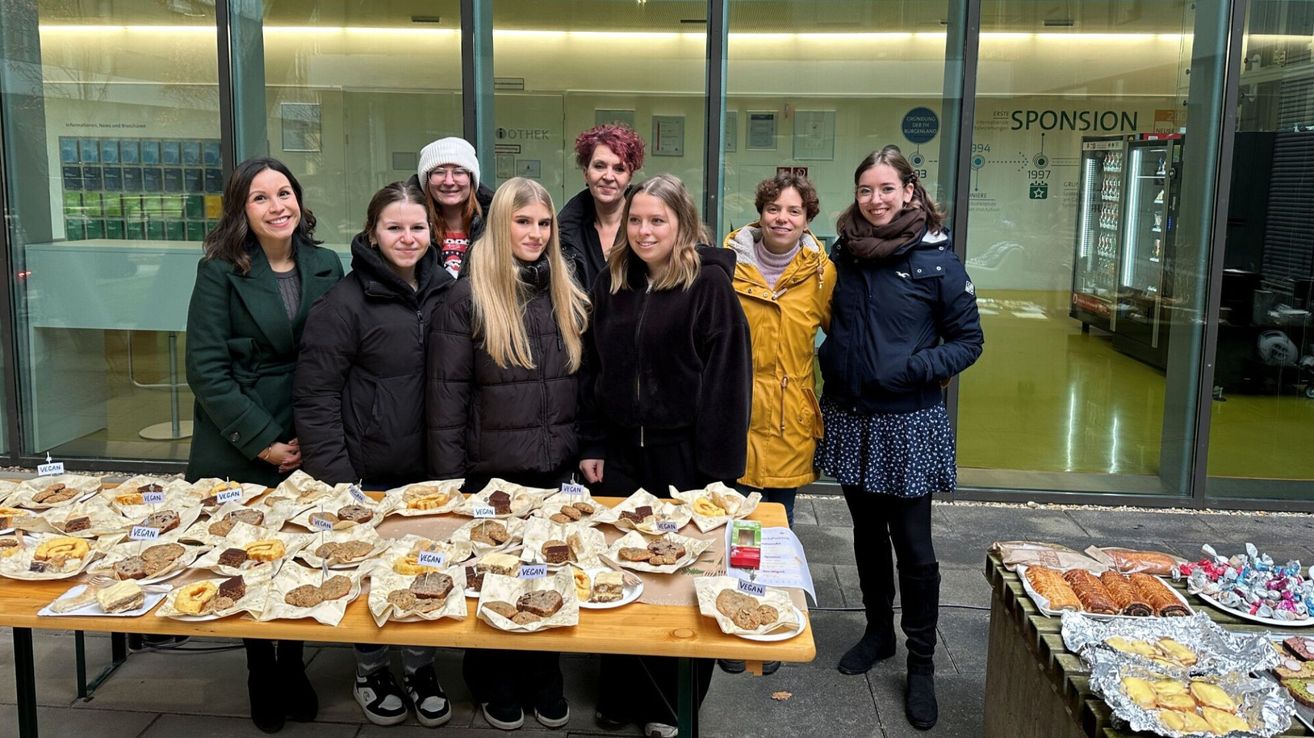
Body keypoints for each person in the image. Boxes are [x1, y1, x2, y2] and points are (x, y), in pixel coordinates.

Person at [577, 174, 751, 737]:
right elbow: (596, 370)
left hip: (686, 460)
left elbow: (729, 384)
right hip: (623, 456)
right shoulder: (613, 281)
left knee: (679, 585)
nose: (645, 230)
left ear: (682, 225)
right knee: (619, 573)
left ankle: (672, 706)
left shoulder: (709, 287)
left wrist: (718, 476)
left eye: (658, 220)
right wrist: (595, 443)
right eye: (636, 220)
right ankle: (622, 693)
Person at [816, 145, 983, 730]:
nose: (876, 200)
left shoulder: (937, 260)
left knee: (914, 548)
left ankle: (921, 664)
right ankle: (878, 633)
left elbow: (969, 341)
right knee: (865, 532)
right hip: (853, 415)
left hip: (907, 421)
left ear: (910, 191)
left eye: (887, 188)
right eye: (866, 190)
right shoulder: (846, 253)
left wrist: (912, 368)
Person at [184, 156, 344, 733]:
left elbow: (340, 352)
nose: (277, 206)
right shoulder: (219, 271)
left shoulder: (328, 263)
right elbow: (205, 371)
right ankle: (260, 667)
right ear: (241, 211)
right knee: (248, 559)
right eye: (260, 197)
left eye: (285, 193)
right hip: (242, 438)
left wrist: (319, 430)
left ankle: (293, 660)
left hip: (311, 427)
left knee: (304, 551)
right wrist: (265, 444)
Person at [426, 177, 589, 730]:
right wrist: (451, 486)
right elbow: (446, 401)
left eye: (544, 223)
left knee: (547, 578)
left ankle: (546, 678)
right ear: (500, 224)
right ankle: (494, 681)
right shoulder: (466, 298)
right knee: (494, 584)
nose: (535, 233)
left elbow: (583, 386)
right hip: (490, 476)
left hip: (555, 470)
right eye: (523, 222)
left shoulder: (565, 289)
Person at [292, 181, 454, 727]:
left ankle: (420, 666)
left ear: (432, 232)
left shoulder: (446, 291)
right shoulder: (343, 303)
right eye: (394, 227)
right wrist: (338, 482)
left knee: (422, 572)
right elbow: (315, 397)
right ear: (372, 232)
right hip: (366, 472)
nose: (407, 238)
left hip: (430, 472)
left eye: (417, 227)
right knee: (367, 577)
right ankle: (370, 669)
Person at [717, 172, 835, 677]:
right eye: (774, 209)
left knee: (777, 530)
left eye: (793, 211)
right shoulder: (725, 266)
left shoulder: (822, 273)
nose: (782, 219)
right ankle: (732, 621)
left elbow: (844, 336)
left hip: (788, 420)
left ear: (807, 219)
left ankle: (770, 623)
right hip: (736, 413)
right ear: (759, 212)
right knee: (735, 525)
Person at [558, 123, 646, 289]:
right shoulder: (564, 232)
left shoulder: (649, 227)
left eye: (619, 169)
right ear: (586, 173)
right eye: (599, 166)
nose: (608, 176)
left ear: (630, 178)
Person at [410, 136, 494, 279]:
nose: (449, 181)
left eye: (459, 172)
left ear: (471, 179)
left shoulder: (495, 222)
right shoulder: (408, 227)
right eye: (439, 172)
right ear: (426, 181)